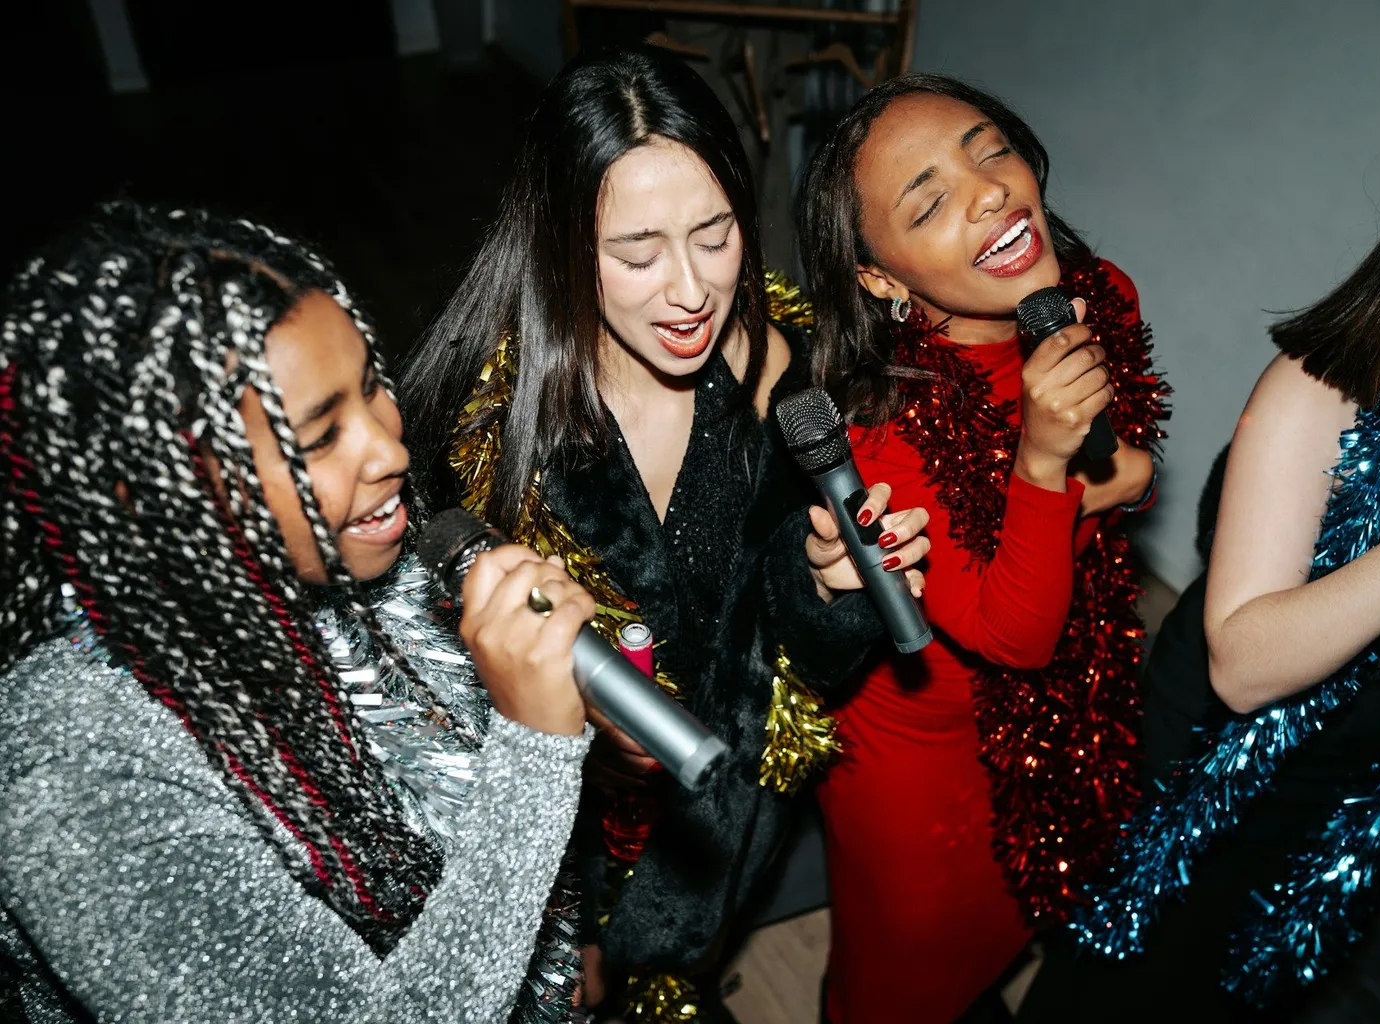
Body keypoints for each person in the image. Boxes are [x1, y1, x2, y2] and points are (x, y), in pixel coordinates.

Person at [397, 48, 929, 1021]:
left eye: (716, 234)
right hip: (569, 840)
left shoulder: (780, 368)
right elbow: (417, 702)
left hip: (731, 807)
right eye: (637, 253)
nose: (689, 290)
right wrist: (551, 724)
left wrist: (829, 590)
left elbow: (791, 654)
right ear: (559, 244)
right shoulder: (484, 429)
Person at [0, 202, 598, 1023]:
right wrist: (532, 752)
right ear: (159, 491)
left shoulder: (360, 558)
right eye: (318, 437)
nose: (389, 450)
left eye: (372, 386)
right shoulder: (77, 770)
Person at [1023, 81, 1380, 1021]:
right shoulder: (1322, 389)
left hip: (1359, 814)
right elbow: (1243, 666)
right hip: (1203, 775)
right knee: (1118, 992)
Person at [796, 73, 1168, 1024]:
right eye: (928, 202)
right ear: (880, 278)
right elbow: (1013, 633)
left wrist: (1096, 481)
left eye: (989, 148)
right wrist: (1056, 472)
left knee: (1024, 924)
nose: (989, 191)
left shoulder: (1095, 298)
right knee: (900, 983)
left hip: (1069, 712)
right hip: (919, 765)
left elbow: (1132, 468)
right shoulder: (876, 430)